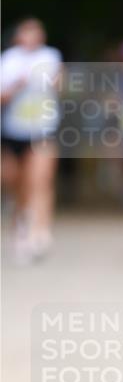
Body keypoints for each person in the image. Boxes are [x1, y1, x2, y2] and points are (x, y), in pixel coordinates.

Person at [1, 17, 62, 264]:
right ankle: (21, 227)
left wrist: (57, 82)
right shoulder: (8, 60)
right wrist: (17, 86)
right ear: (18, 36)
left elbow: (60, 86)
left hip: (43, 129)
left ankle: (40, 230)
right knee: (17, 183)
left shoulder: (51, 56)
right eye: (27, 32)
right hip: (13, 130)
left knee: (41, 180)